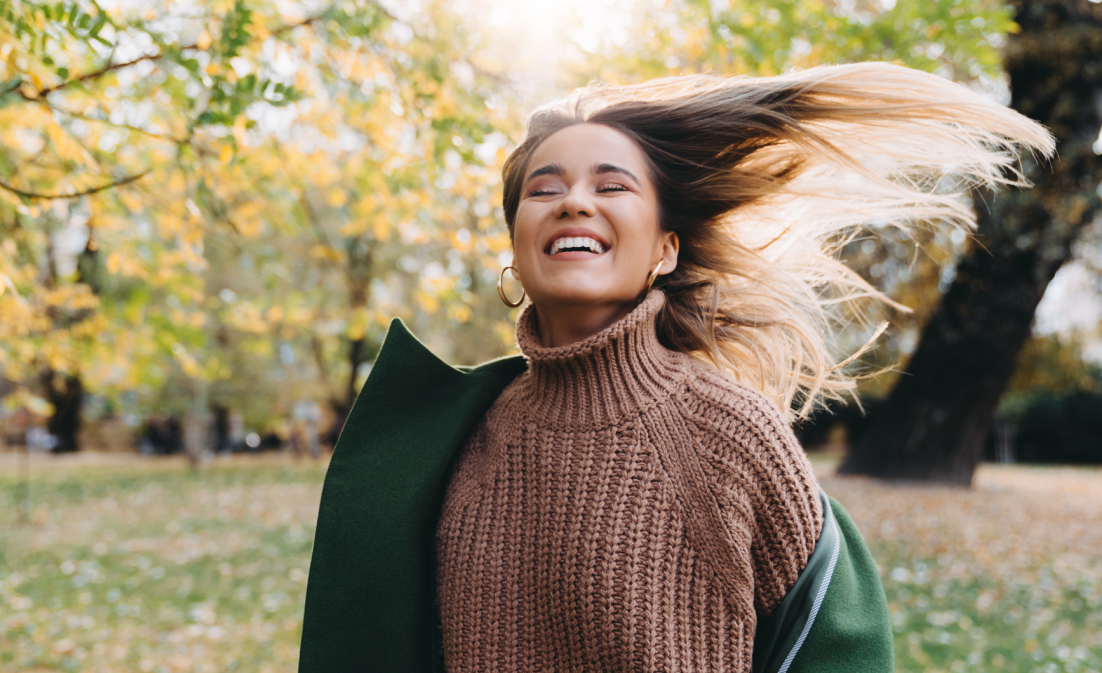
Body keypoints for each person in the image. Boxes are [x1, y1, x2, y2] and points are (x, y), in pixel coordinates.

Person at [297, 63, 1053, 673]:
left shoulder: (727, 433)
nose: (572, 203)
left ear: (664, 249)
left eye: (611, 185)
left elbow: (834, 639)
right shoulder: (448, 440)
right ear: (517, 251)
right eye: (544, 188)